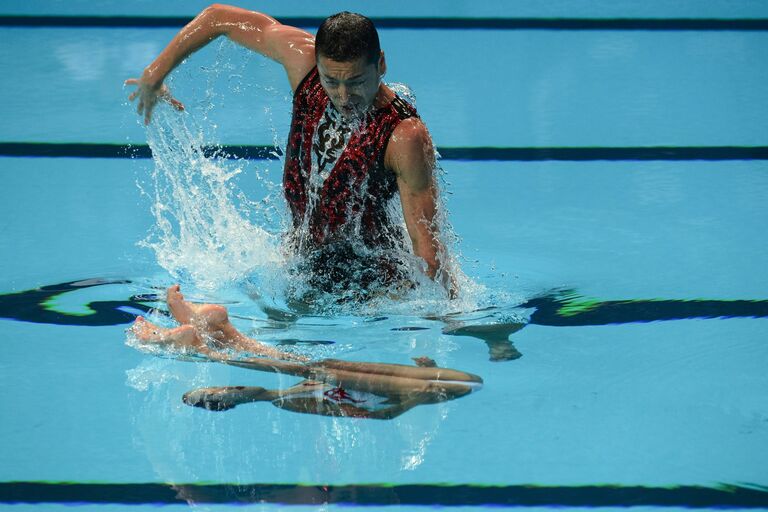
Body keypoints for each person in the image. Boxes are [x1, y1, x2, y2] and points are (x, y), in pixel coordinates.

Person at [125, 5, 455, 297]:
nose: (343, 96)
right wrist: (155, 73)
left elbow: (429, 252)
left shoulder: (404, 136)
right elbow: (218, 19)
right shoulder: (302, 61)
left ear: (380, 65)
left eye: (356, 82)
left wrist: (437, 330)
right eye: (331, 81)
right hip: (300, 262)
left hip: (368, 283)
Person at [130, 285, 482, 419]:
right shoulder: (440, 389)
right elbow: (391, 410)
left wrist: (415, 393)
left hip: (371, 389)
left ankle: (204, 344)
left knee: (305, 368)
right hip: (370, 389)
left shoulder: (428, 392)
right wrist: (425, 373)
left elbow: (390, 413)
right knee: (305, 367)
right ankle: (217, 334)